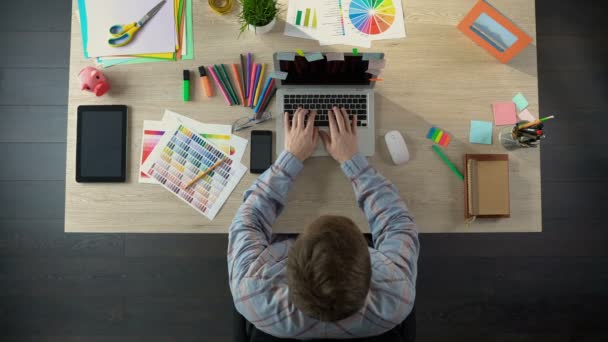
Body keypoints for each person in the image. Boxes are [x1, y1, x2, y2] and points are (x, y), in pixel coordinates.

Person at [228, 107, 420, 341]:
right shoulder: (397, 296)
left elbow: (248, 220)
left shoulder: (252, 291)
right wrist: (352, 160)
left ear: (288, 263)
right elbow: (397, 221)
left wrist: (291, 156)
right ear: (370, 265)